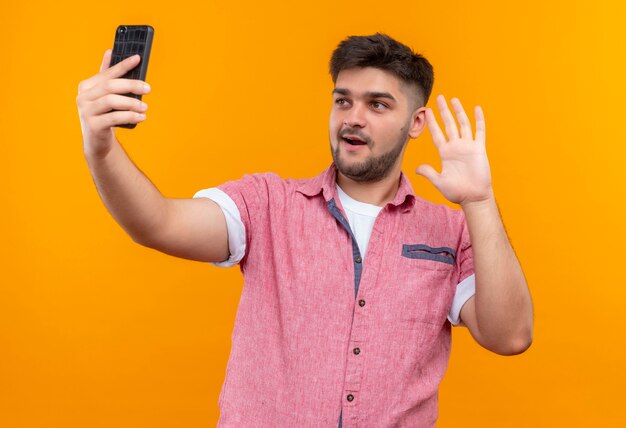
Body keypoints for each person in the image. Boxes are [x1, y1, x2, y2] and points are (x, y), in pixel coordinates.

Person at [76, 33, 533, 427]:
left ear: (416, 123)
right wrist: (101, 147)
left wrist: (479, 201)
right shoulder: (267, 204)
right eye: (343, 100)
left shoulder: (451, 231)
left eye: (378, 104)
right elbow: (156, 223)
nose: (353, 117)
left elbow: (510, 336)